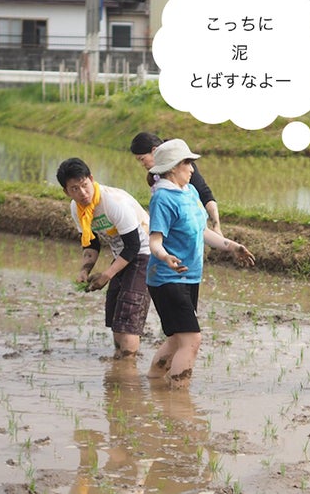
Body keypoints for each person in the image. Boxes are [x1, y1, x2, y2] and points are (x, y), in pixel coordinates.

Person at [145, 138, 255, 389]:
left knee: (177, 339)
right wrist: (166, 257)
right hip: (167, 278)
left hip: (190, 276)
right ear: (173, 167)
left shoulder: (190, 192)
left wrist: (232, 246)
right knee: (192, 339)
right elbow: (154, 241)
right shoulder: (163, 198)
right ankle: (179, 398)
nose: (192, 169)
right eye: (188, 163)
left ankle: (153, 381)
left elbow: (201, 231)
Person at [56, 158, 151, 358]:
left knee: (128, 318)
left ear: (91, 179)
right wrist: (85, 270)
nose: (82, 193)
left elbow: (133, 246)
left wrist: (107, 275)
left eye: (84, 185)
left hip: (145, 253)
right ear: (66, 192)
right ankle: (119, 363)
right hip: (122, 255)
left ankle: (127, 367)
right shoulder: (77, 209)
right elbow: (91, 243)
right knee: (115, 313)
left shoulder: (113, 202)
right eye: (75, 189)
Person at [130, 132, 222, 236]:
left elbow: (205, 194)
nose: (142, 164)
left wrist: (216, 226)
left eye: (142, 159)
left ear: (154, 151)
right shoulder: (160, 191)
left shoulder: (182, 168)